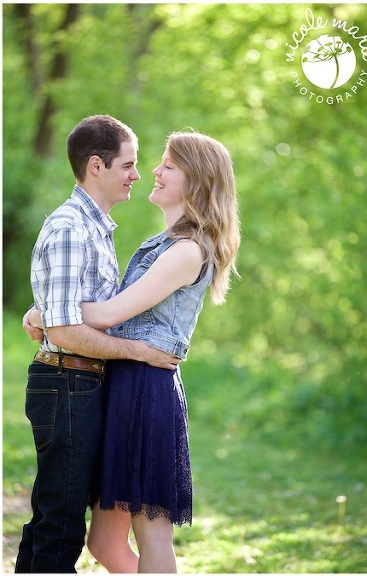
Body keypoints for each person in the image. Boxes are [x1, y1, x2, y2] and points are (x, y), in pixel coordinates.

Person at [32, 131, 241, 572]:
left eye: (168, 165)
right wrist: (47, 310)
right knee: (105, 543)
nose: (154, 172)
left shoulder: (186, 250)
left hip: (147, 390)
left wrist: (49, 311)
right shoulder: (163, 242)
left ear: (197, 181)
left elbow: (108, 314)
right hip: (124, 381)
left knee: (151, 533)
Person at [17, 115, 179, 573]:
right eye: (128, 165)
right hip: (67, 382)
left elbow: (67, 307)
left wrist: (40, 311)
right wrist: (140, 352)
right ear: (96, 166)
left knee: (56, 517)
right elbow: (68, 331)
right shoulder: (72, 227)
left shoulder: (95, 227)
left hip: (80, 384)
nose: (136, 174)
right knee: (61, 523)